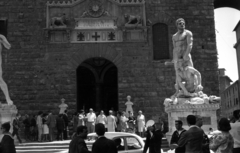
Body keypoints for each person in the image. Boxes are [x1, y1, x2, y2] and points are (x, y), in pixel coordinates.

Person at [0, 34, 13, 105]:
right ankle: (8, 99)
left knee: (0, 80)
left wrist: (3, 40)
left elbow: (8, 46)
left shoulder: (1, 37)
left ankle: (8, 98)